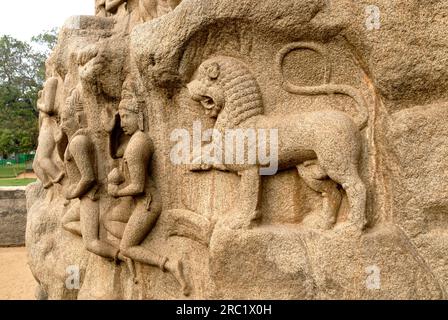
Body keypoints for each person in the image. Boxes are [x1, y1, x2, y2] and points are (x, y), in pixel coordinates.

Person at [106, 79, 190, 295]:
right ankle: (131, 257)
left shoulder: (136, 146)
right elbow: (115, 152)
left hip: (148, 204)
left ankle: (169, 264)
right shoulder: (135, 139)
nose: (123, 122)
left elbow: (138, 186)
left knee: (126, 247)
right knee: (107, 220)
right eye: (121, 117)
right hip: (138, 203)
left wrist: (116, 192)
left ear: (140, 117)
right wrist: (109, 131)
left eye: (127, 116)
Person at [60, 88, 118, 260]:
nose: (62, 125)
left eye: (64, 120)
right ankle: (94, 234)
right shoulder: (75, 142)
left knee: (91, 243)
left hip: (89, 197)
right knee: (65, 221)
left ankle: (121, 255)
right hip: (83, 197)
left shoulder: (78, 142)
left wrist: (72, 193)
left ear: (77, 119)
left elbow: (88, 178)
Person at [33, 76, 65, 189]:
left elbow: (48, 108)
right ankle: (51, 190)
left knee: (43, 159)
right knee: (36, 165)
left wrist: (38, 105)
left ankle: (65, 185)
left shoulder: (51, 82)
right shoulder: (46, 88)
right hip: (44, 127)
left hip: (50, 125)